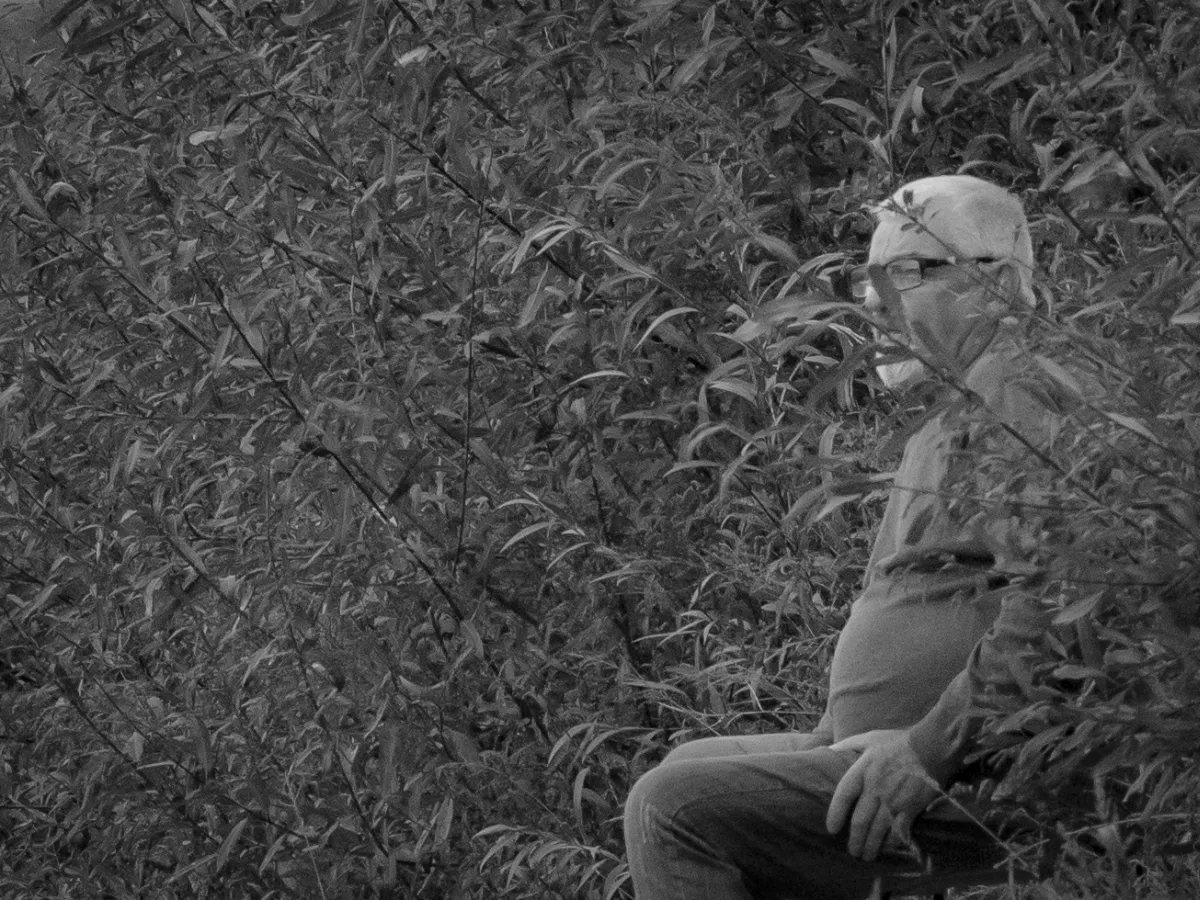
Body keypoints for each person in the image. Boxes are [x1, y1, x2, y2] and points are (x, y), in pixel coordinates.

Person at [624, 175, 1071, 900]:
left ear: (1000, 281)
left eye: (905, 274)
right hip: (907, 747)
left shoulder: (1018, 394)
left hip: (991, 775)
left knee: (673, 812)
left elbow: (1058, 594)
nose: (873, 304)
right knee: (688, 767)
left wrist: (925, 750)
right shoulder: (956, 402)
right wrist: (835, 730)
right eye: (869, 284)